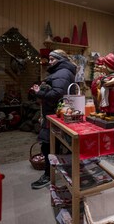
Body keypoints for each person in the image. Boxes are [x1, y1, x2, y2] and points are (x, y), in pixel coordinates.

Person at [31, 49, 77, 189]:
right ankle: (55, 172)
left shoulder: (62, 72)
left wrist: (39, 92)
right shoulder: (60, 71)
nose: (49, 62)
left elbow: (57, 94)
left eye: (52, 59)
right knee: (53, 145)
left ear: (60, 59)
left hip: (56, 115)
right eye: (49, 59)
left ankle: (48, 175)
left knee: (48, 146)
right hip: (56, 114)